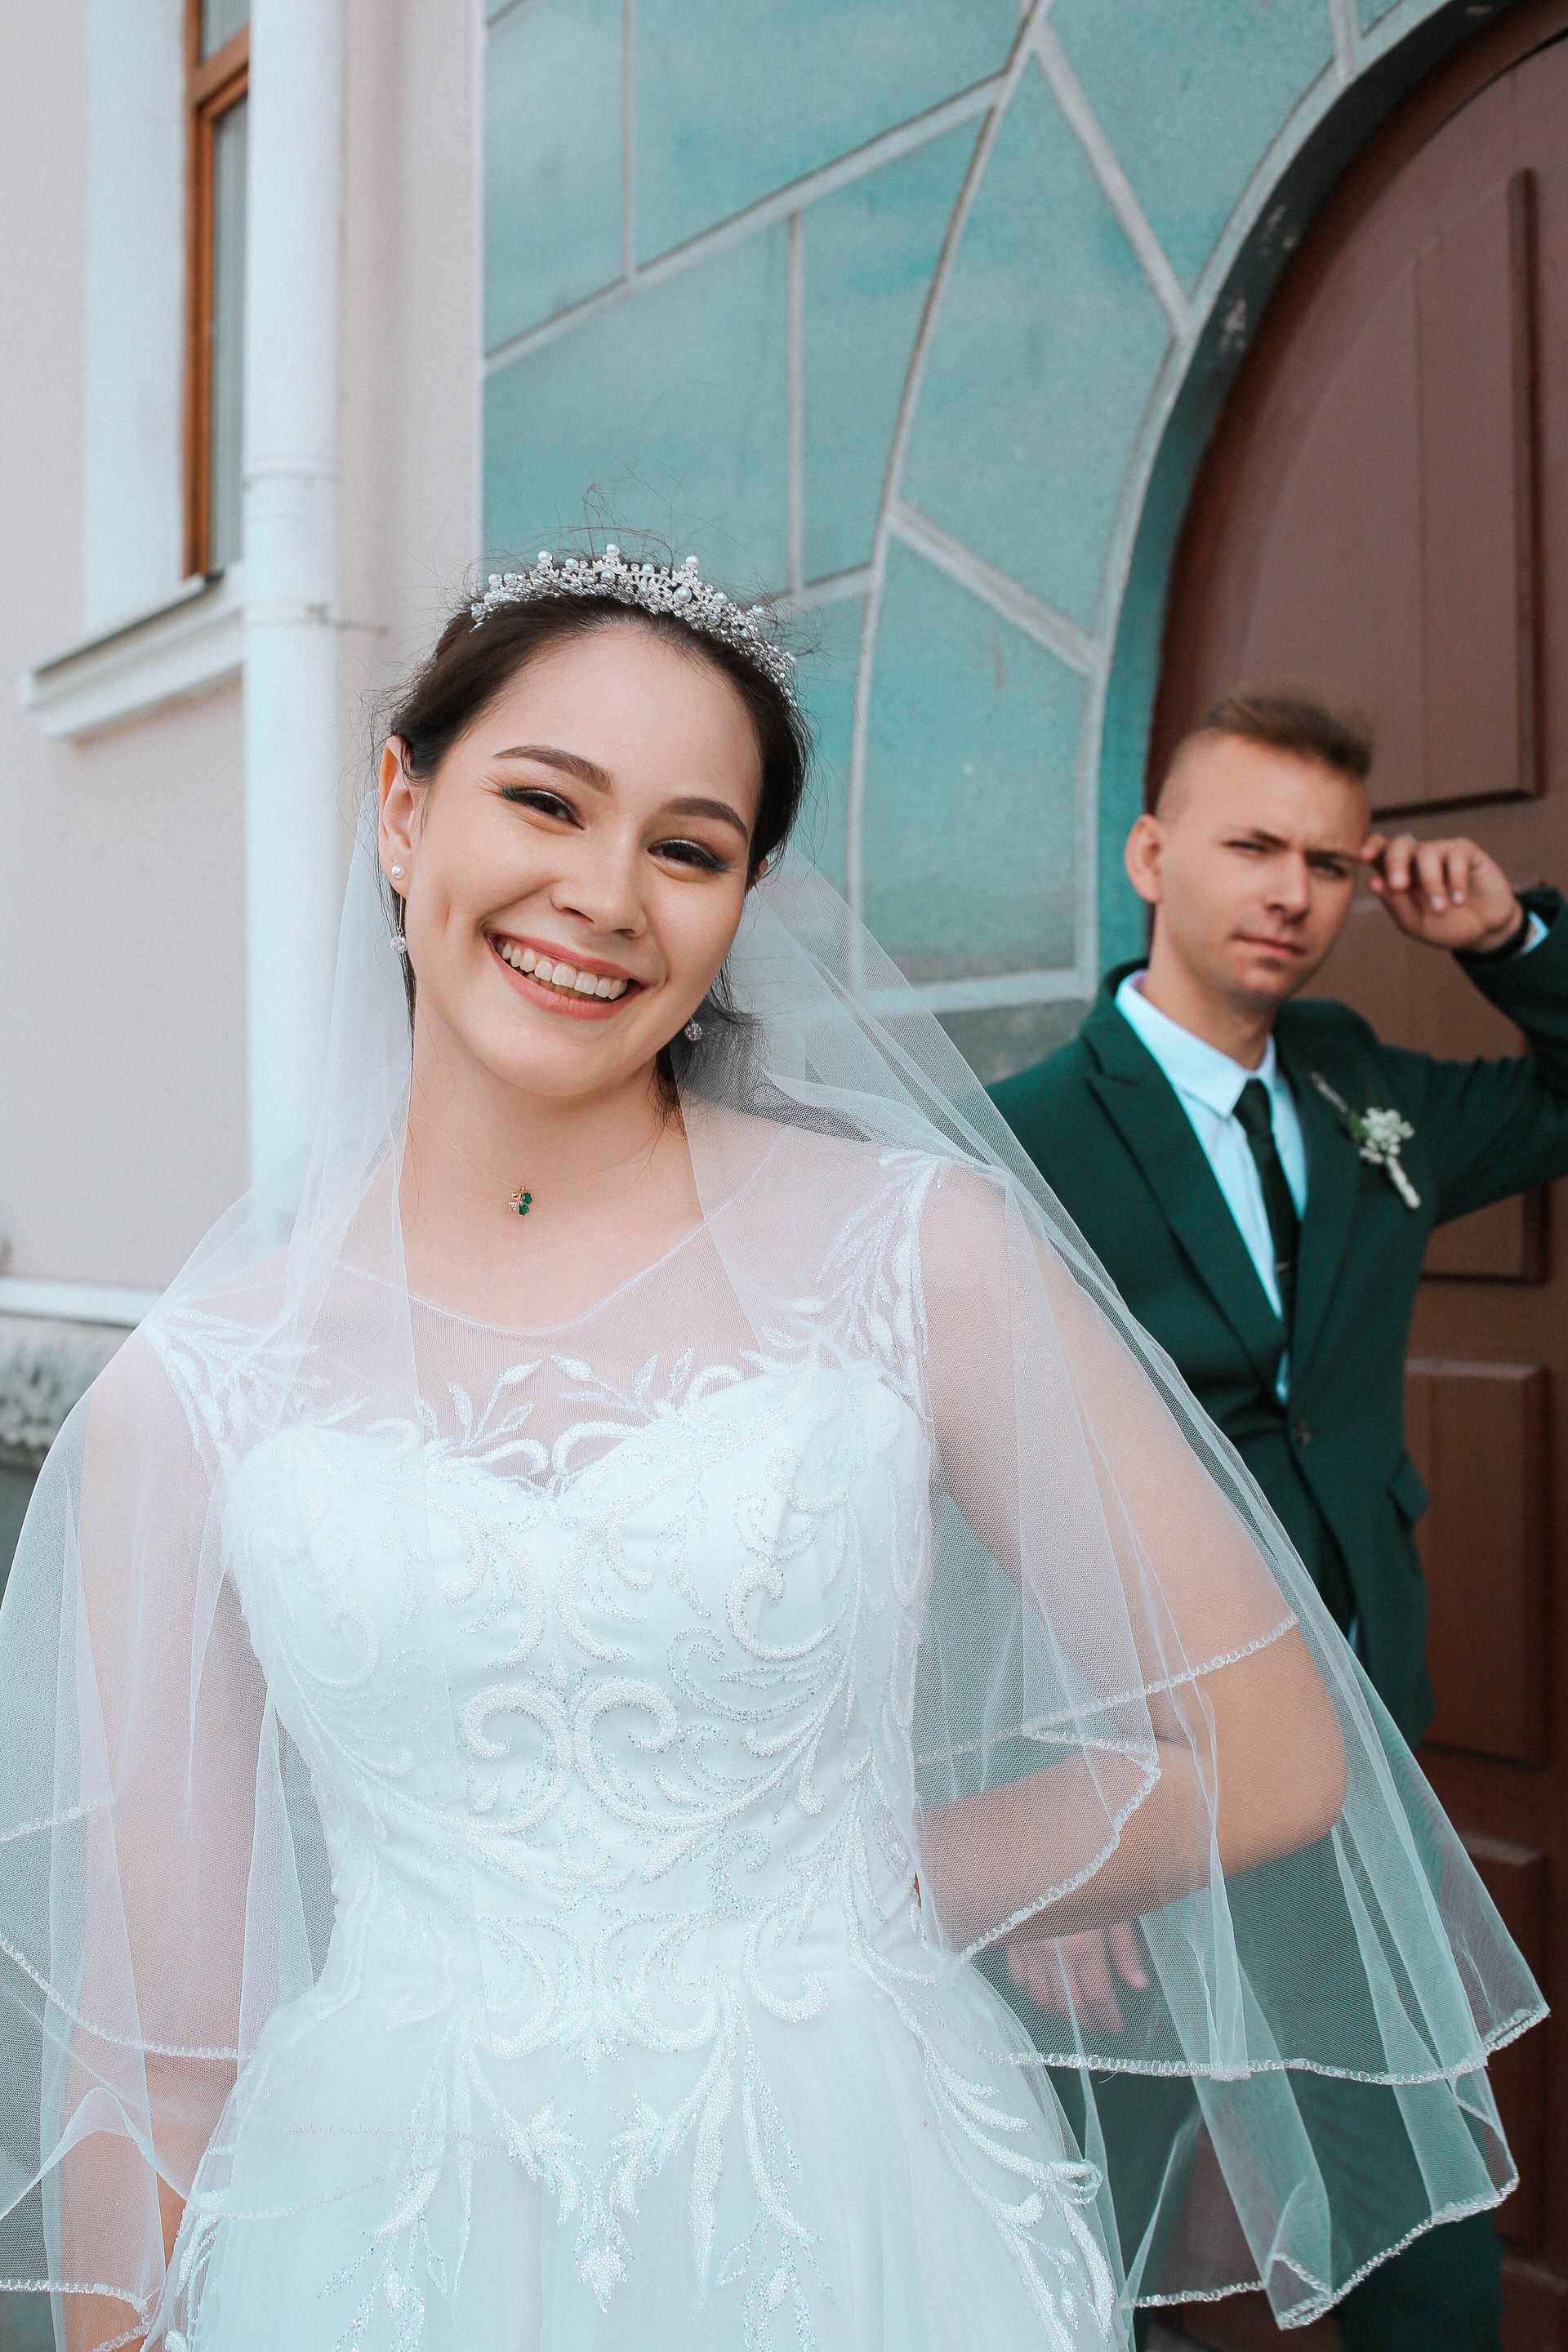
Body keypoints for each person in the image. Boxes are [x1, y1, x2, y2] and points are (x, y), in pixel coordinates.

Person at [0, 572, 1542, 2352]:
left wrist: (861, 1878)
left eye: (689, 847)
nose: (606, 893)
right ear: (404, 811)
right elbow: (158, 2056)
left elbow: (1267, 1752)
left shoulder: (919, 1256)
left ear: (740, 903)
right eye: (546, 801)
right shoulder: (196, 1394)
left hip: (861, 2203)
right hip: (382, 2236)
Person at [991, 681, 1568, 2352]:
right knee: (1074, 2258)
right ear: (1151, 855)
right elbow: (960, 1509)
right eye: (1253, 846)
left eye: (1328, 861)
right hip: (1130, 1799)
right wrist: (1043, 1846)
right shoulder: (1018, 1142)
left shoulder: (1366, 1095)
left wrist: (1510, 936)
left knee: (1429, 2253)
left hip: (1346, 1779)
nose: (1292, 893)